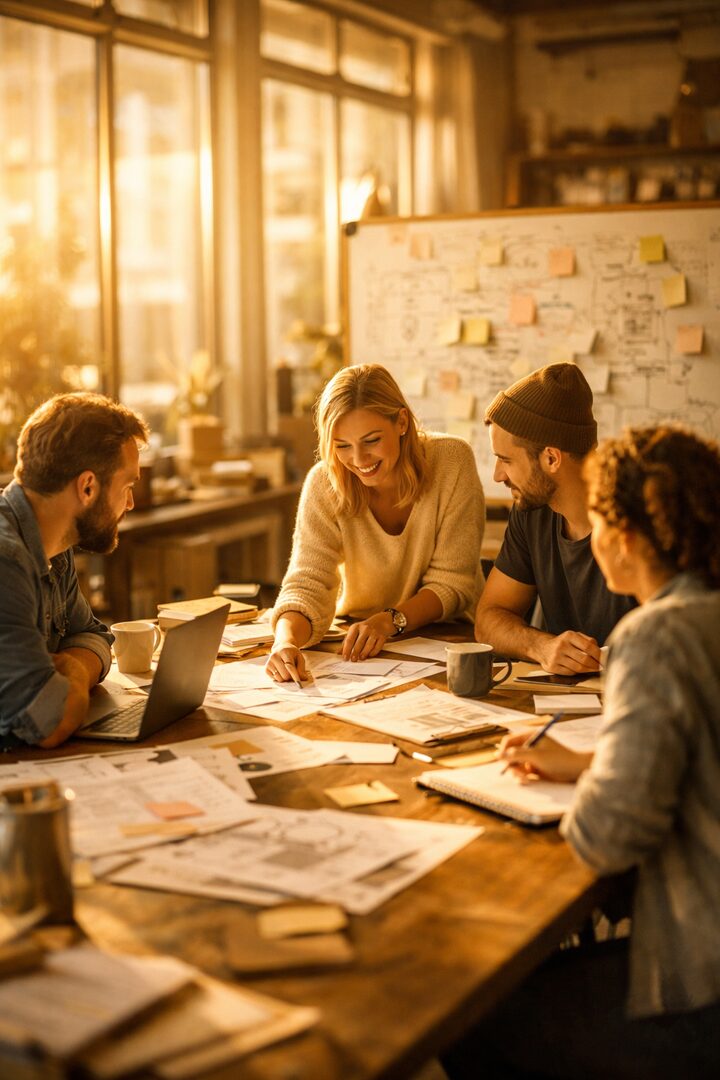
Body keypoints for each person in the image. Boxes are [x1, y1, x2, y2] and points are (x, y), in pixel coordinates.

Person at [443, 424, 720, 1080]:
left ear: (622, 539)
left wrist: (598, 784)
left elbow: (606, 838)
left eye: (596, 522)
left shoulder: (651, 637)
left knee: (470, 1013)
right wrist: (594, 761)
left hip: (702, 987)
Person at [266, 364, 485, 682]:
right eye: (342, 446)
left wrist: (388, 621)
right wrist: (284, 642)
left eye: (371, 441)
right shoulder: (323, 483)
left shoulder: (452, 461)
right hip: (360, 642)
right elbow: (307, 584)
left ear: (401, 422)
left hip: (448, 638)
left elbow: (453, 584)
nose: (359, 459)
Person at [0, 393, 149, 749]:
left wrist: (72, 672)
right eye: (127, 486)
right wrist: (71, 684)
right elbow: (50, 723)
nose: (129, 503)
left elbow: (95, 637)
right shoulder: (6, 560)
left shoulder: (55, 545)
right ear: (87, 487)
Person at [475, 362, 635, 675]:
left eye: (505, 460)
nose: (497, 475)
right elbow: (489, 618)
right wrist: (541, 646)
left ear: (551, 458)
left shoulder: (640, 519)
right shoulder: (530, 511)